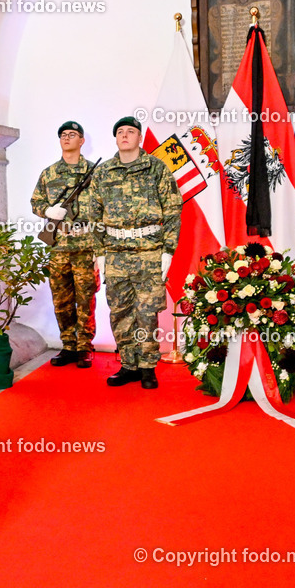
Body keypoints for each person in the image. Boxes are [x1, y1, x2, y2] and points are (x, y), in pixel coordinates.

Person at [86, 116, 181, 389]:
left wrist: (168, 251)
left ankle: (148, 366)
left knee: (147, 311)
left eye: (131, 131)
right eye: (120, 132)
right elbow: (93, 214)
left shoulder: (156, 168)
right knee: (120, 310)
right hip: (115, 253)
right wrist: (99, 253)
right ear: (115, 138)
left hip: (149, 251)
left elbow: (174, 210)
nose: (125, 135)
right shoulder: (103, 173)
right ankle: (129, 365)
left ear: (139, 138)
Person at [31, 121, 98, 368]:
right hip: (58, 247)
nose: (67, 138)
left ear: (82, 141)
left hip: (85, 246)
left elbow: (102, 209)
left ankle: (84, 347)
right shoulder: (49, 174)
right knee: (61, 300)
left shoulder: (94, 173)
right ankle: (68, 346)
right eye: (63, 135)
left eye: (73, 135)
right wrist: (48, 210)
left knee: (86, 299)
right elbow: (35, 202)